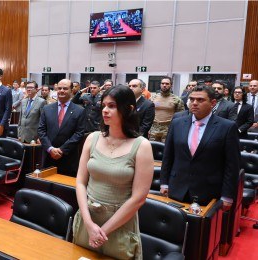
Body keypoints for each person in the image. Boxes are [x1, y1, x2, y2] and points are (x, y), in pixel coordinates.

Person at [73, 85, 153, 259]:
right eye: (104, 106)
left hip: (119, 224)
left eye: (112, 106)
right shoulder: (92, 138)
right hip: (88, 218)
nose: (105, 110)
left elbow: (138, 198)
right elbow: (80, 182)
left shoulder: (141, 145)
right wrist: (88, 223)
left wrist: (102, 231)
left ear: (129, 109)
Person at [160, 85, 240, 210]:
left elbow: (232, 165)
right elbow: (168, 156)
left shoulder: (227, 127)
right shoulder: (177, 123)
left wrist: (227, 196)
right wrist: (164, 183)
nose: (194, 103)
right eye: (192, 99)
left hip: (209, 191)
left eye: (200, 100)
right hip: (177, 187)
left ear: (213, 103)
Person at [38, 79, 86, 176]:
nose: (61, 91)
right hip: (48, 157)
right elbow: (41, 130)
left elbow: (79, 133)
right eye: (59, 88)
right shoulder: (47, 108)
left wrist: (62, 150)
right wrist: (50, 149)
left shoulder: (79, 110)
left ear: (71, 90)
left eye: (65, 88)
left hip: (68, 158)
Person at [149, 76, 184, 141]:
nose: (164, 85)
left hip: (168, 129)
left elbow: (181, 116)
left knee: (165, 149)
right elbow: (148, 113)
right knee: (152, 148)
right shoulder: (153, 98)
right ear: (160, 84)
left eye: (167, 84)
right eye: (162, 83)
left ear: (171, 85)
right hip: (154, 128)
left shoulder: (177, 99)